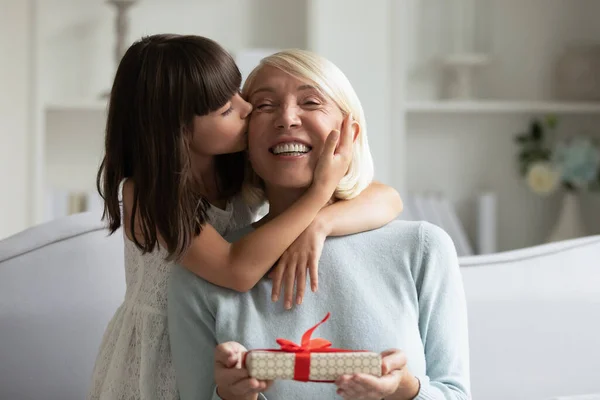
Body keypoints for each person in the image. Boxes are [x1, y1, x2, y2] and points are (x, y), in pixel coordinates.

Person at [88, 34, 403, 400]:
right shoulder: (147, 194)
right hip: (162, 354)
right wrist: (318, 194)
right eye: (226, 110)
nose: (247, 109)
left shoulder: (232, 167)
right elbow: (235, 271)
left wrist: (321, 223)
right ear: (177, 130)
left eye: (240, 94)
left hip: (225, 338)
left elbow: (388, 199)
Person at [168, 49, 471, 400]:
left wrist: (405, 389)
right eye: (265, 106)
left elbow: (454, 393)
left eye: (310, 102)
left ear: (350, 133)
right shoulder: (201, 275)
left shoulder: (423, 248)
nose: (287, 119)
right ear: (245, 142)